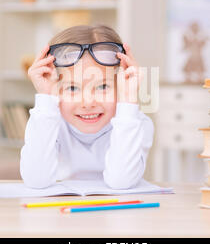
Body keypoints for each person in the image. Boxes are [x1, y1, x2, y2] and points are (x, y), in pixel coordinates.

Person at [20, 25, 154, 189]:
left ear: (121, 85)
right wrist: (46, 98)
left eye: (103, 87)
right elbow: (36, 180)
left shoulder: (136, 123)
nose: (88, 102)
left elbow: (121, 181)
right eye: (72, 88)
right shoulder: (47, 120)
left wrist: (127, 101)